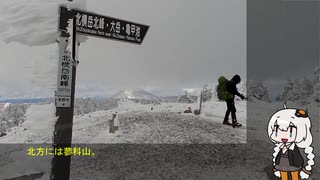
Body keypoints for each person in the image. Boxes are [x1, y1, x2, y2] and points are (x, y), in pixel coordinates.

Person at [267, 104, 314, 180]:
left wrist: (301, 166)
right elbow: (278, 156)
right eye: (277, 130)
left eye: (290, 131)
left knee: (294, 176)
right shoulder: (281, 147)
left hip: (293, 166)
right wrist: (276, 164)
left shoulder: (293, 148)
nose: (283, 136)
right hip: (282, 165)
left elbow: (297, 157)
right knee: (284, 176)